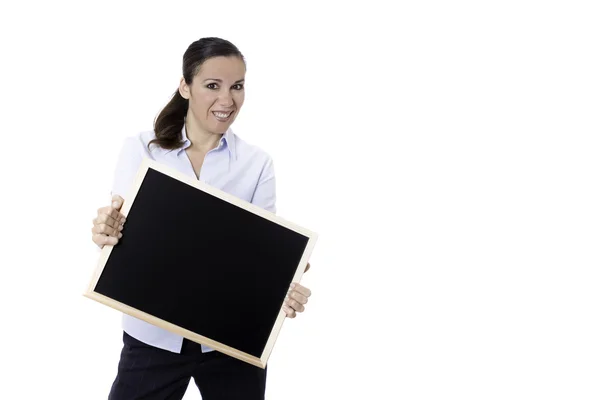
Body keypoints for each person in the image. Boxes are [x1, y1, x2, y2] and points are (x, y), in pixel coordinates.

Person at [90, 37, 312, 400]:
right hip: (152, 337)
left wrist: (284, 284)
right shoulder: (143, 150)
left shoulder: (256, 165)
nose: (227, 100)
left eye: (237, 86)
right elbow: (121, 236)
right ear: (185, 87)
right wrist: (105, 232)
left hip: (230, 342)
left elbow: (260, 259)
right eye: (213, 86)